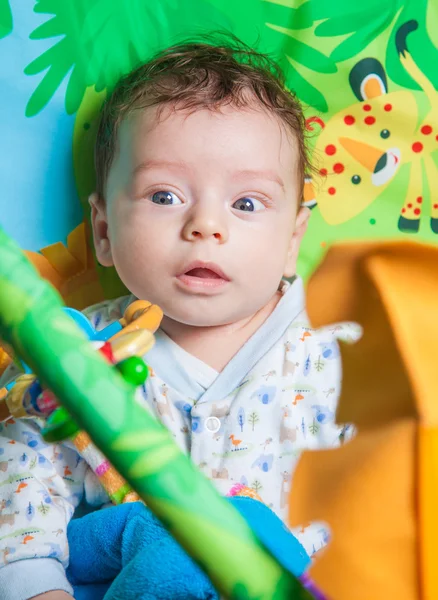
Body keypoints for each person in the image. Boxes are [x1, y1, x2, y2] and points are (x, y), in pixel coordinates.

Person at [0, 36, 359, 599]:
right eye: (165, 196)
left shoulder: (343, 356)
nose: (206, 225)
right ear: (103, 232)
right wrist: (35, 584)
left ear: (293, 239)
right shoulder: (74, 352)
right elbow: (22, 473)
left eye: (246, 204)